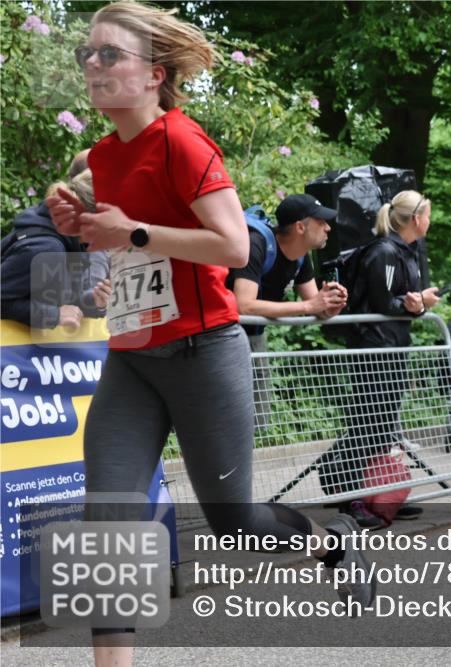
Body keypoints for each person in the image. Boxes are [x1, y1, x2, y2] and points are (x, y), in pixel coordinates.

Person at [45, 5, 372, 664]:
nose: (93, 64)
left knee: (238, 524)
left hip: (204, 352)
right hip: (132, 360)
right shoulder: (100, 156)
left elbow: (227, 246)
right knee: (106, 518)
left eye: (110, 54)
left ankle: (333, 541)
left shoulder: (183, 142)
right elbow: (119, 238)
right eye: (89, 52)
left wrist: (128, 232)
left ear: (153, 74)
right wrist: (78, 224)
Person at [337, 189, 441, 527]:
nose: (430, 220)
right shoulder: (383, 251)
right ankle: (350, 496)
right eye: (427, 214)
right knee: (369, 421)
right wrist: (412, 304)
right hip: (375, 347)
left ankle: (381, 492)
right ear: (415, 218)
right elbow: (384, 304)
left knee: (383, 424)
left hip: (394, 345)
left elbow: (401, 302)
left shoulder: (407, 251)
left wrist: (419, 303)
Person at [225, 193, 347, 429]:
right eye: (321, 222)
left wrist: (331, 305)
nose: (328, 228)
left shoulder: (301, 257)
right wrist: (310, 306)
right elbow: (244, 305)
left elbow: (315, 305)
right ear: (300, 226)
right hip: (225, 336)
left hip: (255, 338)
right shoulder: (256, 244)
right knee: (228, 421)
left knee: (258, 420)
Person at [2, 156, 110, 330]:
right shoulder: (44, 249)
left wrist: (95, 302)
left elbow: (65, 301)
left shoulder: (70, 235)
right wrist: (53, 315)